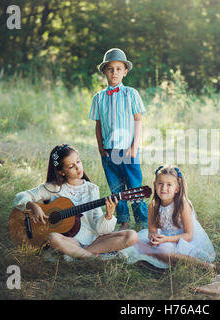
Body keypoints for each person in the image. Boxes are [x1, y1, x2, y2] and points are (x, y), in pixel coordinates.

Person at [13, 144, 138, 260]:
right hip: (69, 241)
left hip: (94, 240)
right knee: (52, 238)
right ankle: (94, 257)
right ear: (61, 171)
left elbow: (101, 230)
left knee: (132, 235)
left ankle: (81, 254)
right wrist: (32, 205)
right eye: (71, 166)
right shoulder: (53, 188)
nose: (78, 167)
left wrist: (108, 215)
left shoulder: (91, 189)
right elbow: (20, 196)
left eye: (78, 161)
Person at [89, 48, 148, 231]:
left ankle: (142, 222)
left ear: (125, 72)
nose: (114, 72)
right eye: (110, 69)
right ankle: (124, 221)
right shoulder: (99, 98)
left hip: (128, 150)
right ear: (105, 71)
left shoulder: (131, 94)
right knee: (117, 190)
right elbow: (98, 125)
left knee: (135, 188)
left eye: (118, 69)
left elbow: (138, 120)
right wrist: (100, 146)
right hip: (109, 151)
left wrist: (134, 146)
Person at [120, 165, 216, 269]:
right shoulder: (152, 205)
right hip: (165, 240)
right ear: (155, 185)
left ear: (177, 189)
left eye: (169, 184)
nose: (164, 188)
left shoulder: (182, 204)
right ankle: (156, 258)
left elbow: (189, 236)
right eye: (160, 183)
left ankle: (204, 266)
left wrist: (167, 239)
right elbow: (152, 231)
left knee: (164, 252)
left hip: (183, 241)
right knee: (137, 242)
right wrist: (153, 238)